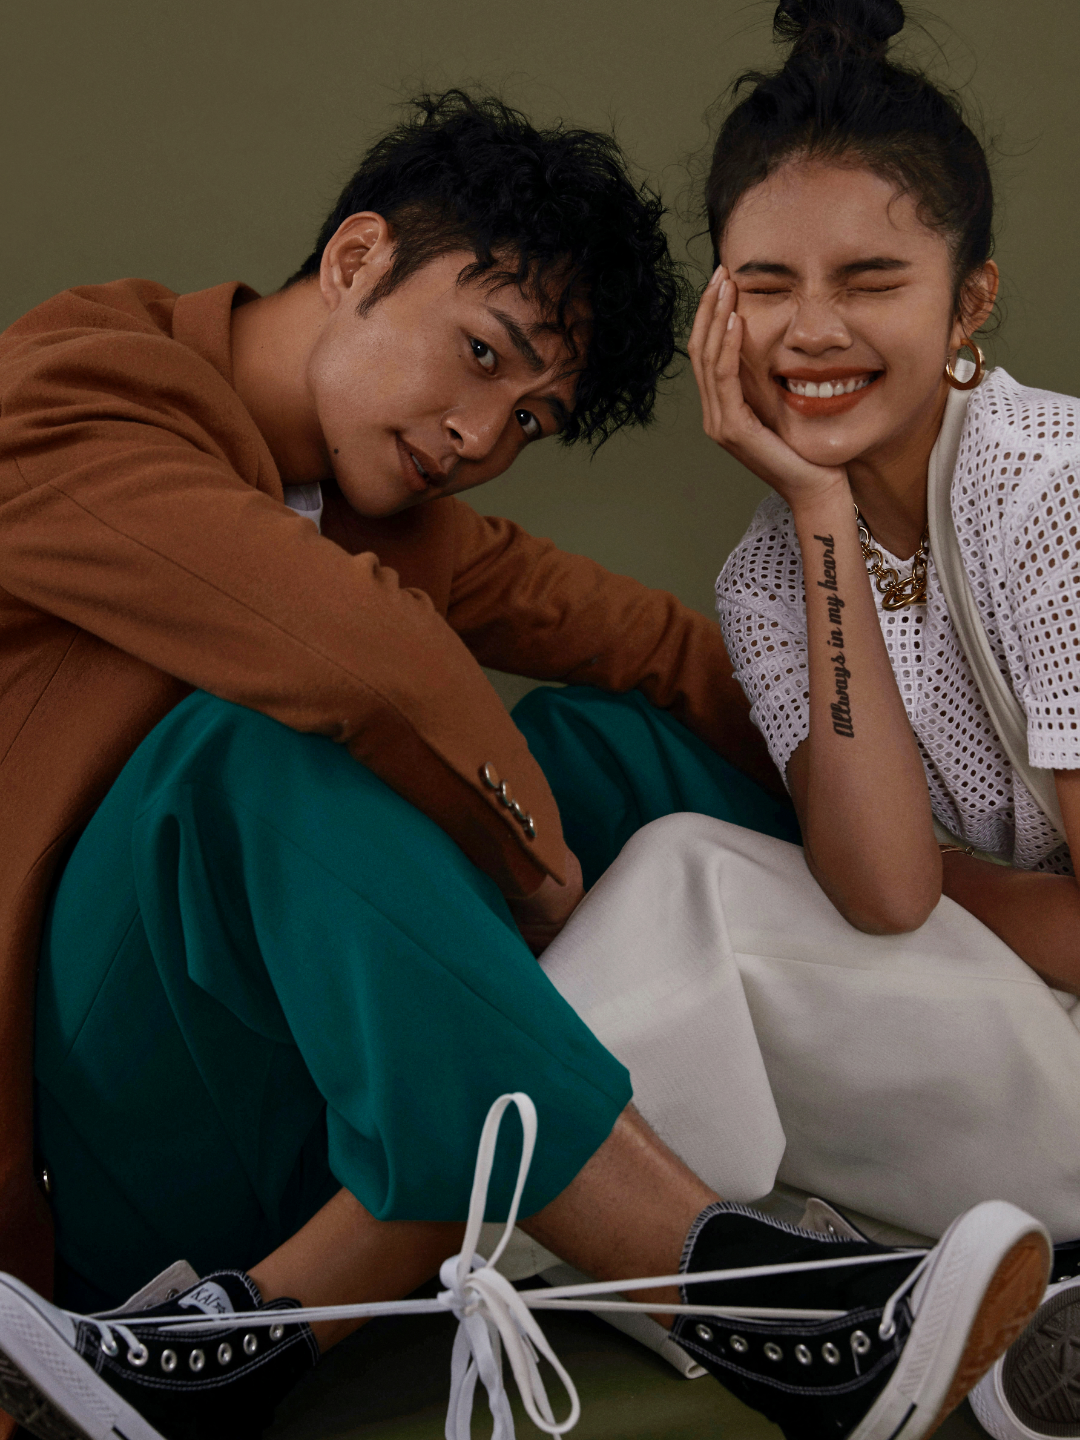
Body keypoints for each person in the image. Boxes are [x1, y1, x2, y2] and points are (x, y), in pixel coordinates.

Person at [0, 83, 1048, 1440]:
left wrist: (916, 822)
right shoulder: (69, 397)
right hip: (88, 1131)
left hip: (285, 1114)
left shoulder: (382, 505)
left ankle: (1017, 1135)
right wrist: (537, 866)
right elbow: (350, 658)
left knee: (619, 747)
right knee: (251, 751)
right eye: (482, 354)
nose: (483, 439)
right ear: (358, 258)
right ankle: (743, 1297)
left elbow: (653, 651)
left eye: (531, 420)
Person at [515, 3, 1080, 1439]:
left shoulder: (1051, 494)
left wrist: (956, 889)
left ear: (969, 303)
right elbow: (887, 894)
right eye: (766, 284)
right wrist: (821, 511)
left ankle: (352, 1291)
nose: (812, 330)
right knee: (690, 879)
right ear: (722, 311)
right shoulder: (771, 575)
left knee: (693, 877)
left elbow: (900, 894)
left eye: (872, 280)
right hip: (1016, 1056)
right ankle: (830, 1293)